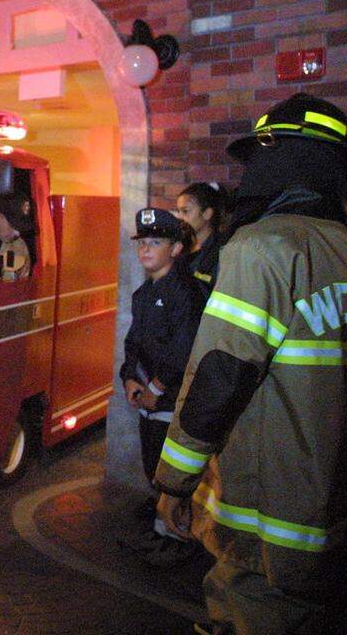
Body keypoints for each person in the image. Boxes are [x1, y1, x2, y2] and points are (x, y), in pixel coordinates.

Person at [153, 94, 347, 635]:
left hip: (265, 526)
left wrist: (174, 481)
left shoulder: (262, 249)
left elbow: (219, 377)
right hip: (339, 521)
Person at [115, 207, 205, 568]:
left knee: (174, 472)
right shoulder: (142, 294)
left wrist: (156, 386)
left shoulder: (187, 294)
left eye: (156, 242)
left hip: (173, 399)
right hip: (149, 398)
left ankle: (178, 541)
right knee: (154, 465)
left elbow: (183, 349)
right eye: (143, 243)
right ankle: (160, 532)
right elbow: (134, 344)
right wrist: (129, 378)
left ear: (176, 249)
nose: (146, 250)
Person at [175, 182, 224, 289]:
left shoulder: (221, 252)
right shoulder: (181, 246)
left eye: (185, 211)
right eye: (178, 211)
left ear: (207, 214)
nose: (180, 217)